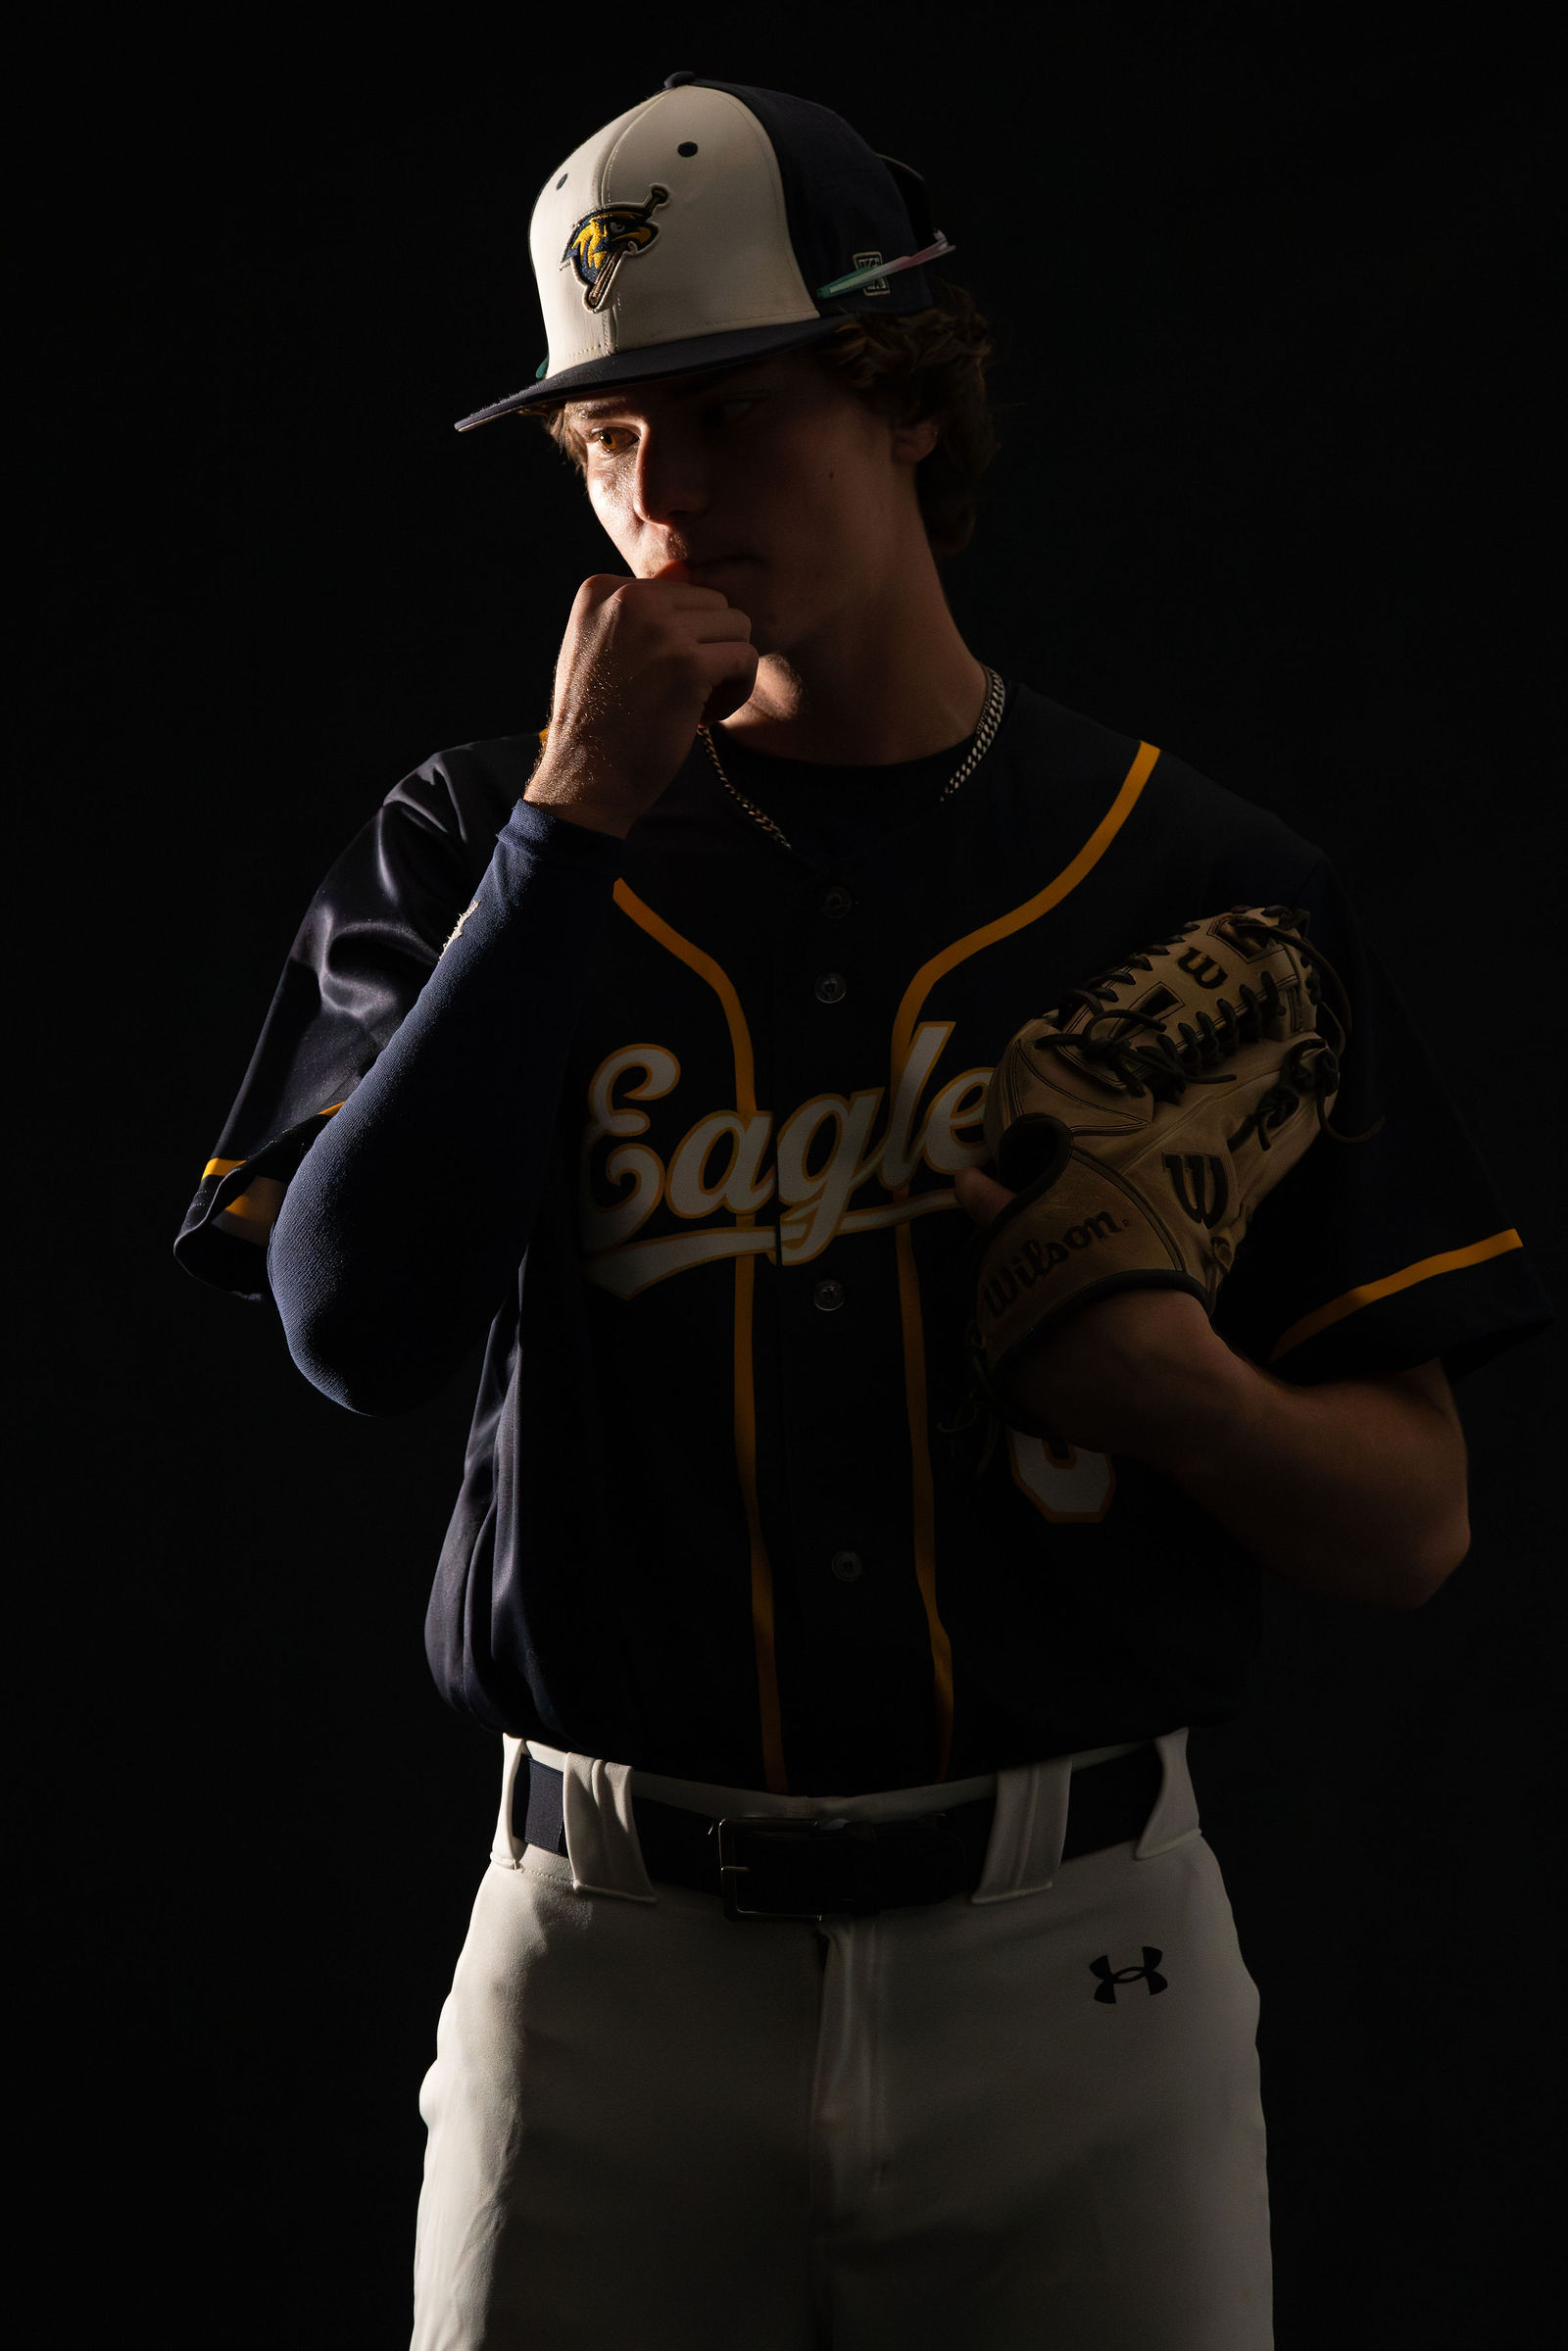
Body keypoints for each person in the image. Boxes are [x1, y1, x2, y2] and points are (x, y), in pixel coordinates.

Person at [174, 74, 1553, 2351]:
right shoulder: (469, 848)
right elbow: (351, 1327)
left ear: (908, 395)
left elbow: (1410, 1524)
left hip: (1075, 1968)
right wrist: (568, 824)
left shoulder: (1197, 882)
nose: (663, 496)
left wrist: (1188, 1401)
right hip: (600, 1964)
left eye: (731, 411)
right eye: (608, 435)